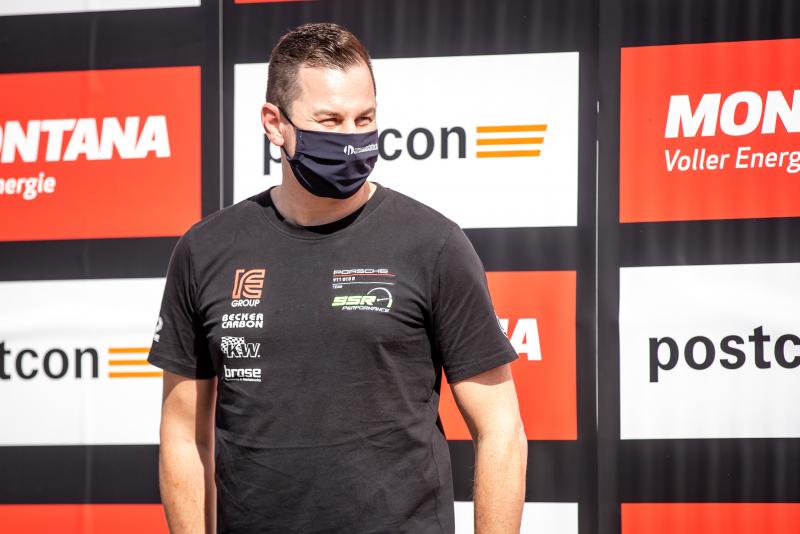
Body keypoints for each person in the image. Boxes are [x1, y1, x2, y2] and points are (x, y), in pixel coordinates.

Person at [148, 22, 527, 534]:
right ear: (274, 123)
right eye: (329, 121)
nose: (351, 140)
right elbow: (183, 435)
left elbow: (500, 428)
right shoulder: (206, 249)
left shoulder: (433, 244)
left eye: (364, 119)